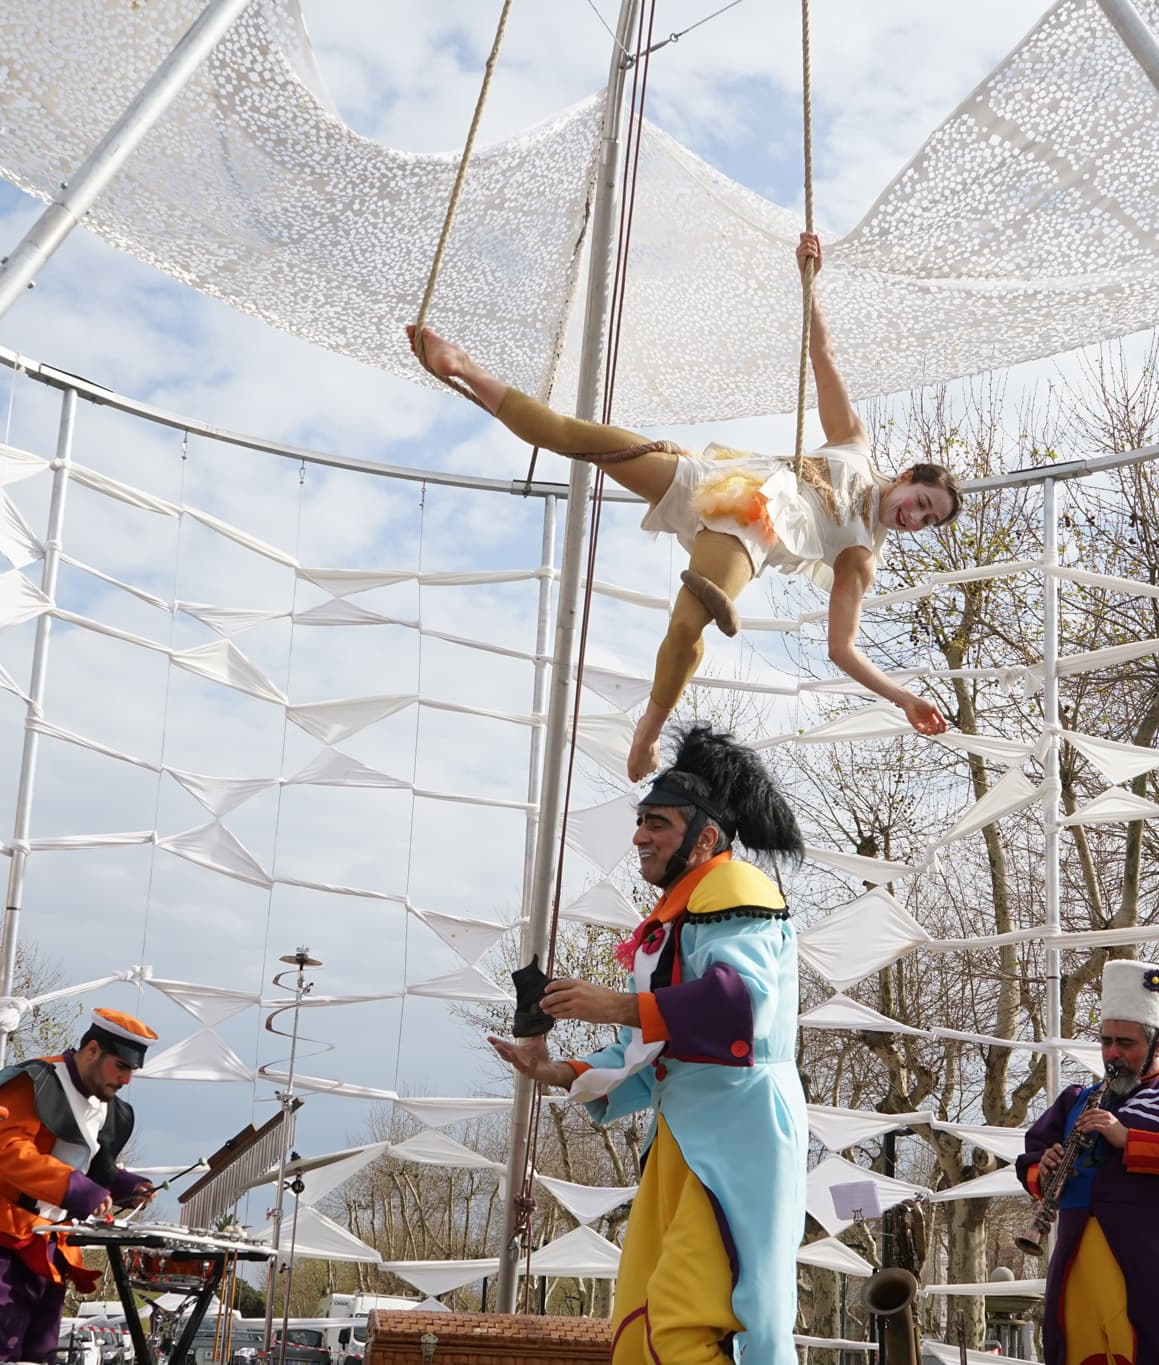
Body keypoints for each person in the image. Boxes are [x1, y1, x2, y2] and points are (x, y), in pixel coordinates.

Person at [409, 232, 963, 781]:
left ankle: (648, 733)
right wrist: (808, 281)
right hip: (716, 480)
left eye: (927, 521)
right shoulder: (853, 447)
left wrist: (902, 698)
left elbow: (842, 649)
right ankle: (463, 366)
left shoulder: (862, 555)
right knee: (582, 438)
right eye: (921, 503)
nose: (915, 519)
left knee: (687, 624)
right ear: (909, 476)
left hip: (751, 531)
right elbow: (824, 357)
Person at [490, 724, 807, 1365]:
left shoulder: (733, 886)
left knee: (691, 1325)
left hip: (736, 1133)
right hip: (687, 1137)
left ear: (706, 837)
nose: (639, 837)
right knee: (639, 1331)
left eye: (657, 823)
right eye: (642, 822)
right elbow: (648, 1051)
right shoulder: (682, 910)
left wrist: (612, 1002)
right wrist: (555, 1069)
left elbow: (736, 1005)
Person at [1014, 961, 1159, 1365]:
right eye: (1106, 1042)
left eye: (1126, 1044)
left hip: (1158, 1263)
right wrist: (1042, 1170)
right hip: (1076, 1257)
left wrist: (1127, 1139)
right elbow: (1030, 1157)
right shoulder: (1075, 1099)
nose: (1113, 1054)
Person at [0, 1007, 160, 1364]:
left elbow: (96, 1170)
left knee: (38, 1357)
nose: (126, 1080)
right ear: (92, 1050)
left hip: (45, 1246)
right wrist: (77, 1189)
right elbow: (6, 1153)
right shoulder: (34, 1081)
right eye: (122, 1066)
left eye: (132, 1071)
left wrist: (128, 1187)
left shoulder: (108, 1108)